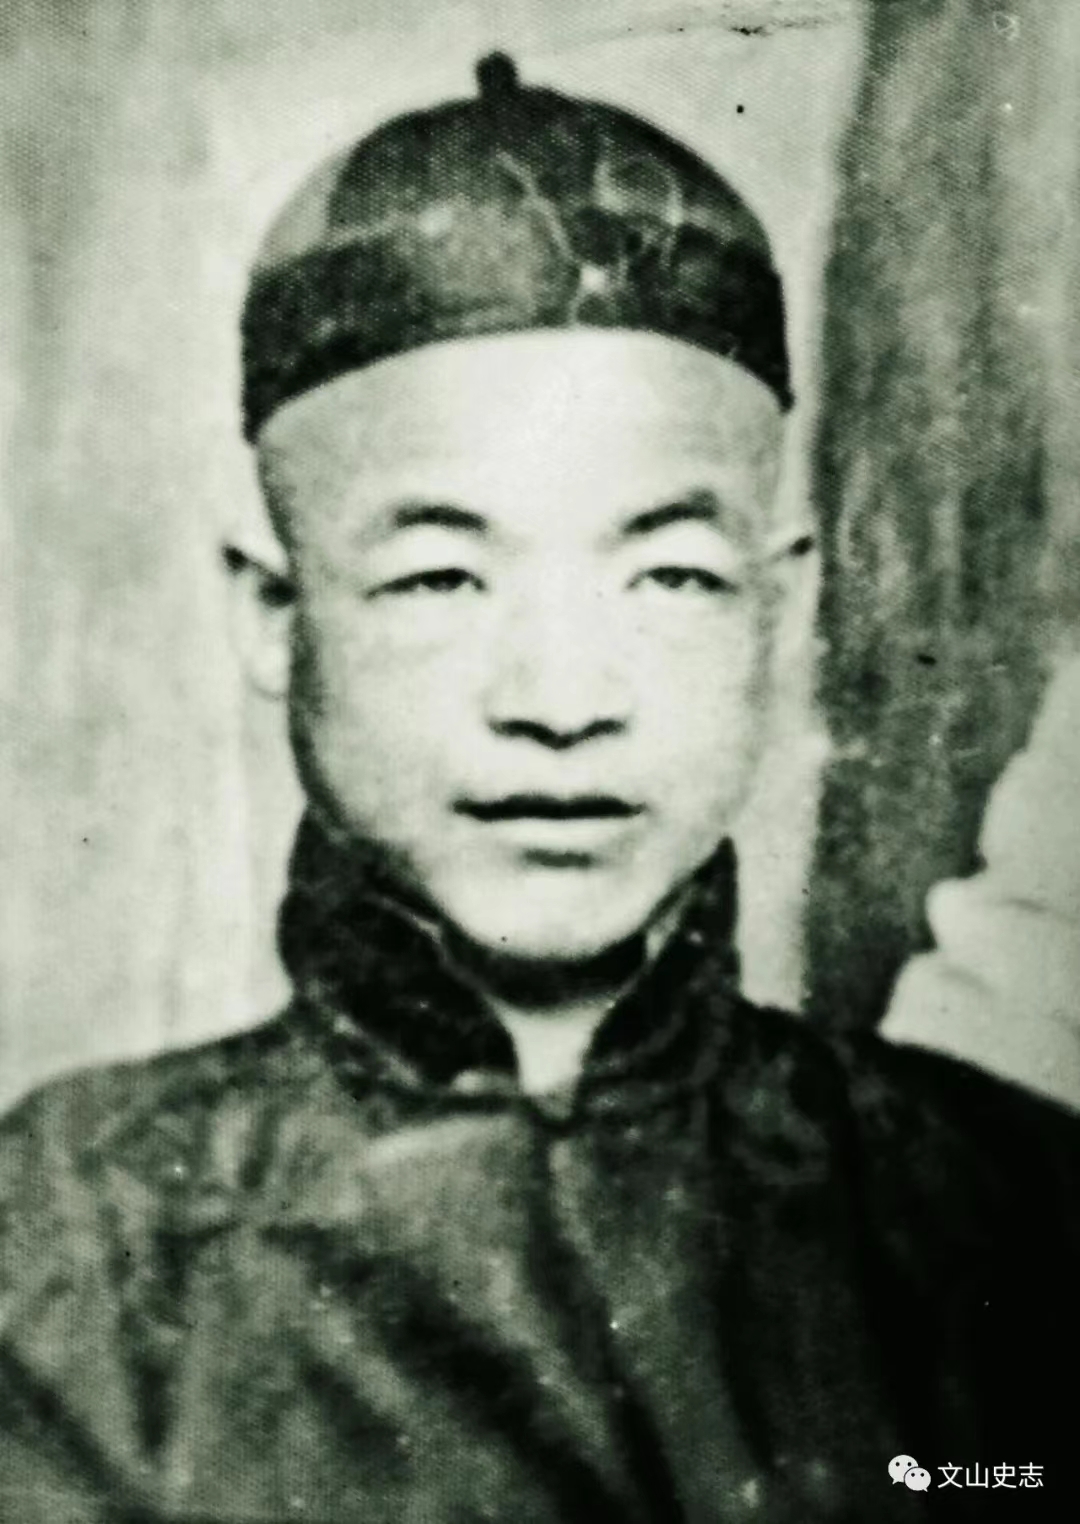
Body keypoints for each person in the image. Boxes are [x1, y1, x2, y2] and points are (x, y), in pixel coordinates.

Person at [0, 54, 1077, 1524]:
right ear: (273, 608)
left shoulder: (1002, 1207)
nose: (563, 702)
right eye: (441, 576)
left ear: (781, 607)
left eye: (671, 576)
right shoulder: (65, 1247)